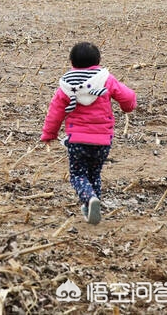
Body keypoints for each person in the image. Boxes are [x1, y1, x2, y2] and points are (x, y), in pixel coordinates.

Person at [40, 42, 136, 225]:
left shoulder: (66, 85)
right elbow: (128, 97)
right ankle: (91, 205)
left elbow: (55, 112)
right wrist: (127, 107)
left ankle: (89, 199)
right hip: (103, 140)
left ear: (71, 62)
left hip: (77, 141)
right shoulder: (105, 79)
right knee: (94, 173)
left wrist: (49, 134)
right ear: (98, 60)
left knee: (77, 174)